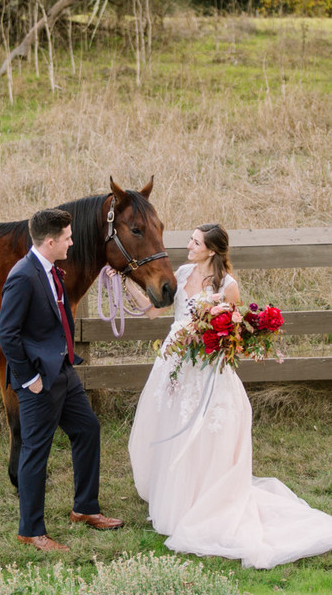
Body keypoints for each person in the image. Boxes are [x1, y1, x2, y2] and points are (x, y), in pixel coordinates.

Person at [128, 223, 332, 569]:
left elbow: (231, 334)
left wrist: (207, 342)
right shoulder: (181, 271)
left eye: (195, 242)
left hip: (207, 369)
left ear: (210, 249)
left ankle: (203, 498)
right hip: (173, 364)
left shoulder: (228, 286)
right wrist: (126, 282)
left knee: (206, 432)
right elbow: (153, 310)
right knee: (166, 424)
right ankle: (173, 495)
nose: (189, 246)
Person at [0, 207, 124, 552]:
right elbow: (6, 334)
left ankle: (85, 508)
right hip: (39, 379)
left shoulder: (52, 270)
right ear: (51, 241)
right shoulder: (23, 275)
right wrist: (29, 378)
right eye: (67, 238)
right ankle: (31, 530)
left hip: (63, 371)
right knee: (36, 451)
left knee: (88, 429)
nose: (72, 242)